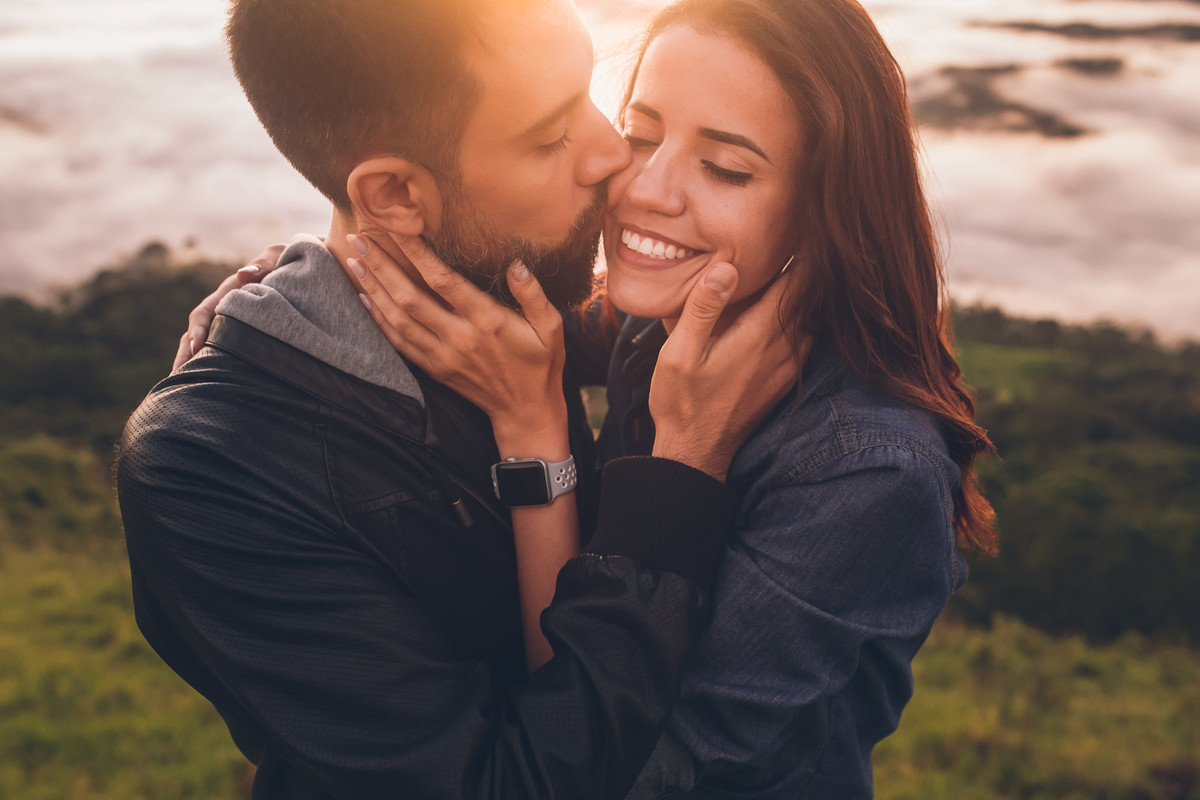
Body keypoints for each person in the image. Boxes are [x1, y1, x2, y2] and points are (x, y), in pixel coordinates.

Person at [116, 0, 799, 798]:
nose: (613, 154)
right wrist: (683, 465)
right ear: (395, 195)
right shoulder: (208, 471)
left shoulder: (503, 293)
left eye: (590, 94)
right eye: (551, 137)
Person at [328, 0, 999, 796]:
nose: (645, 189)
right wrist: (286, 282)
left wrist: (673, 452)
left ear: (825, 209)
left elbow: (632, 777)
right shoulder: (664, 317)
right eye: (640, 136)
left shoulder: (868, 470)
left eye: (726, 169)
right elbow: (481, 307)